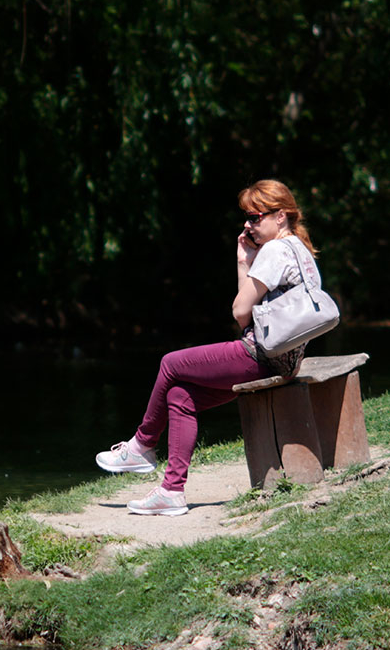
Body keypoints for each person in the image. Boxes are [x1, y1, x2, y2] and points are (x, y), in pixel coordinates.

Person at [94, 179, 324, 516]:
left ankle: (141, 446)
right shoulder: (301, 251)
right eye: (246, 217)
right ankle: (172, 492)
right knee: (179, 396)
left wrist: (243, 263)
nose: (248, 224)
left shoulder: (275, 251)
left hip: (259, 356)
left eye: (255, 217)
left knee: (171, 363)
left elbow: (241, 314)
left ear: (280, 216)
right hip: (285, 361)